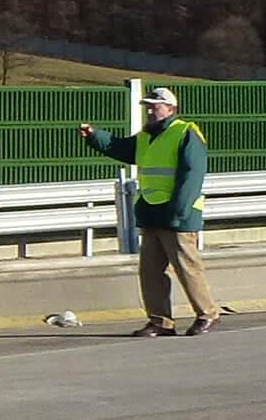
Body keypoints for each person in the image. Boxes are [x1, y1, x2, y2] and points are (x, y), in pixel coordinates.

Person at [80, 86, 224, 337]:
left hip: (177, 215)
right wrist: (94, 135)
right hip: (151, 211)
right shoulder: (145, 136)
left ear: (170, 108)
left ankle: (207, 313)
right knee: (150, 270)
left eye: (154, 106)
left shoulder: (186, 132)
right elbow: (120, 147)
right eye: (147, 106)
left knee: (187, 267)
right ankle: (160, 321)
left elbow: (192, 174)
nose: (149, 110)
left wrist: (178, 211)